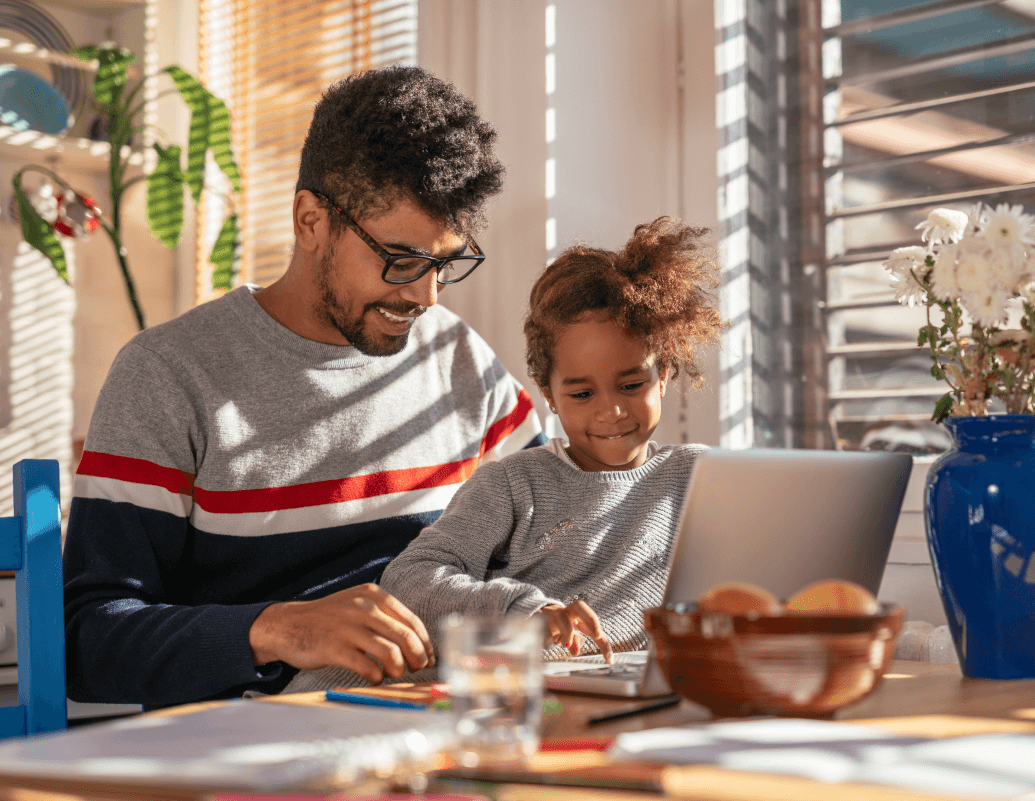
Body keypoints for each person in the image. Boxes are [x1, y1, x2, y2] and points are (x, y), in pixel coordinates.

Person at [62, 66, 544, 708]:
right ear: (310, 220)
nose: (424, 295)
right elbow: (87, 642)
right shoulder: (170, 374)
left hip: (445, 728)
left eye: (444, 263)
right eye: (400, 259)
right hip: (252, 750)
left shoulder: (458, 360)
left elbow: (555, 534)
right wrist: (274, 629)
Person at [283, 216, 727, 692]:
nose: (611, 411)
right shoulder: (516, 484)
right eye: (581, 394)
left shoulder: (702, 478)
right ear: (549, 395)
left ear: (664, 376)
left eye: (632, 384)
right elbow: (409, 579)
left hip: (598, 691)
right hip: (400, 689)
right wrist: (523, 611)